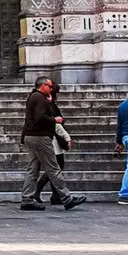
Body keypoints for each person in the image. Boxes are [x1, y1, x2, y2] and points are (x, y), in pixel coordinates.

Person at [18, 78, 83, 211]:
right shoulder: (40, 98)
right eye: (49, 86)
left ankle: (27, 199)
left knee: (33, 168)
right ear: (43, 86)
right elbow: (40, 117)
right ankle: (67, 198)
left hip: (30, 136)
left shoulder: (32, 97)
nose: (51, 88)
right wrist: (55, 119)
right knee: (53, 167)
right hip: (40, 136)